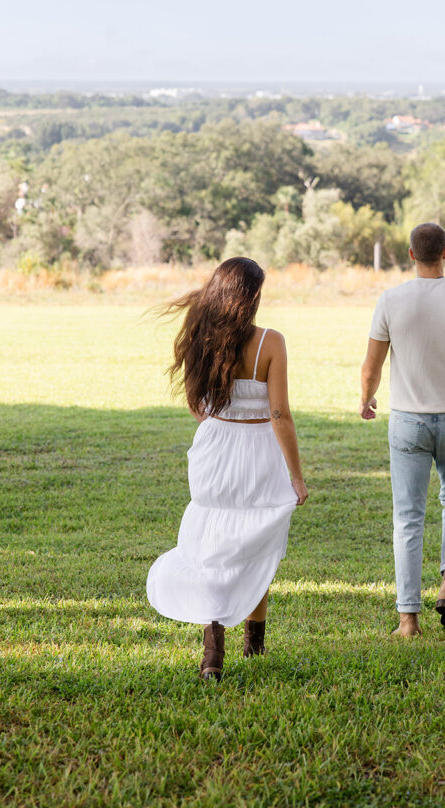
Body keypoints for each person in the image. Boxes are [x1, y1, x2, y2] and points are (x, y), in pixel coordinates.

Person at [147, 257, 308, 681]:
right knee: (257, 543)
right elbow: (280, 415)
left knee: (214, 548)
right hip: (259, 452)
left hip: (215, 448)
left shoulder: (202, 338)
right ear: (251, 297)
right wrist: (296, 474)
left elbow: (197, 406)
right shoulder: (271, 342)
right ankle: (254, 643)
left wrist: (225, 421)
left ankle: (212, 651)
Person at [360, 223, 445, 634]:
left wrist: (366, 397)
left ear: (411, 254)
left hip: (407, 421)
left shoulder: (391, 300)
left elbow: (371, 367)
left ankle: (408, 620)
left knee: (408, 517)